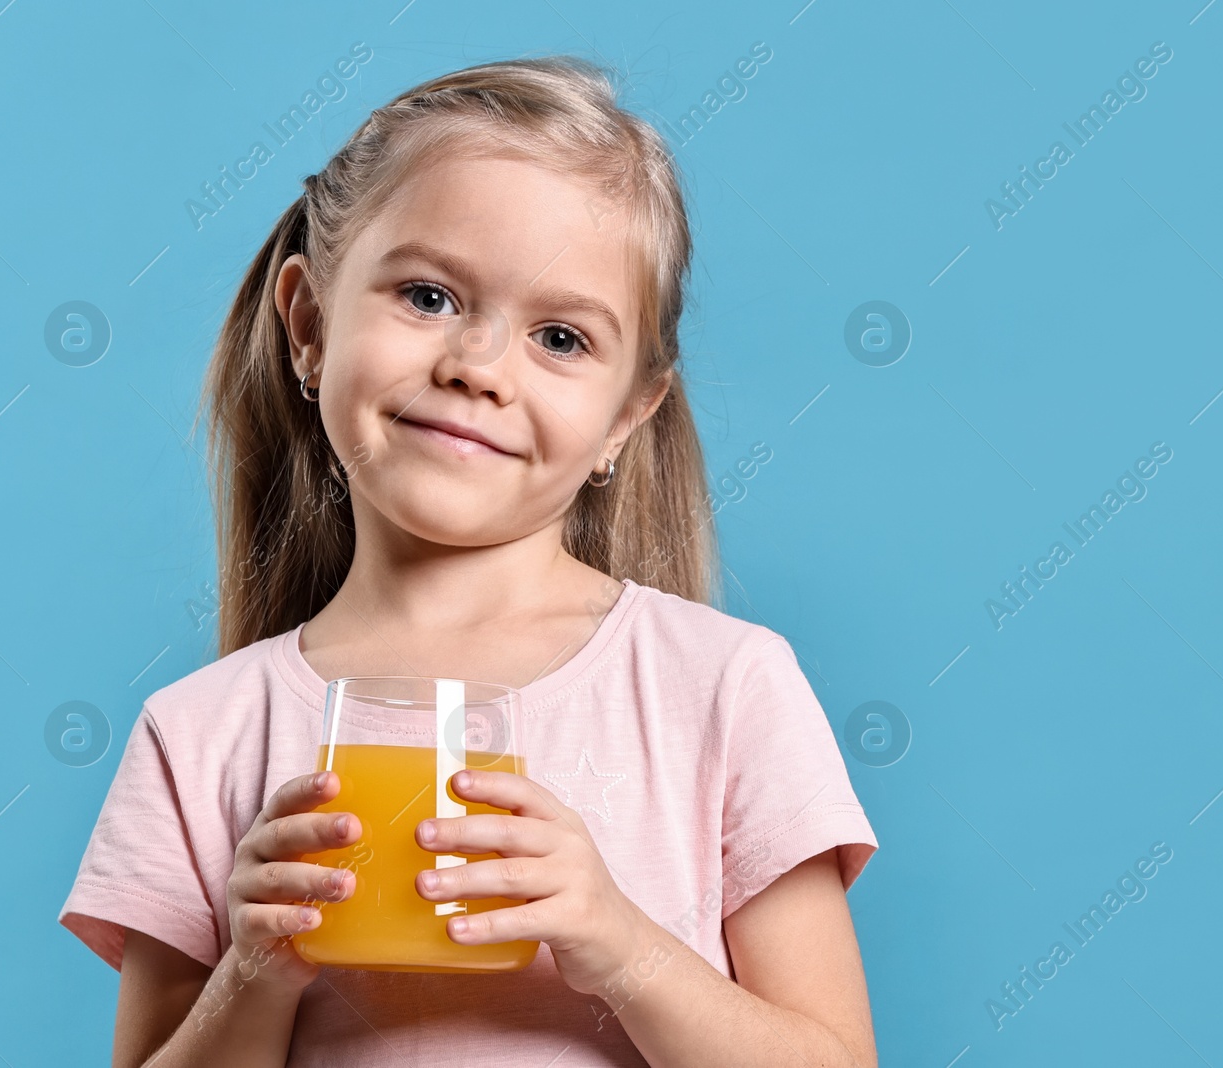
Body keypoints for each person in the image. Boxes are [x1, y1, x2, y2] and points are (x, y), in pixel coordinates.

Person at [57, 54, 879, 1067]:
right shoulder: (198, 736)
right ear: (309, 326)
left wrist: (618, 942)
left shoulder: (724, 687)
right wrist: (254, 971)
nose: (477, 368)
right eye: (429, 297)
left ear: (626, 416)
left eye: (562, 338)